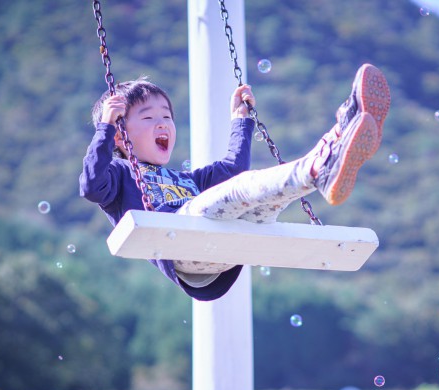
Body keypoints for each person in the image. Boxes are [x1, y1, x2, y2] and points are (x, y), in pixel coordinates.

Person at [80, 63, 390, 301]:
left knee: (267, 201)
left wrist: (241, 120)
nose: (162, 122)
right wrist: (105, 129)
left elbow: (233, 170)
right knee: (244, 187)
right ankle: (322, 163)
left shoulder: (188, 180)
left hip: (219, 253)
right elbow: (92, 186)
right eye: (148, 118)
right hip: (184, 250)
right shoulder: (119, 174)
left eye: (167, 116)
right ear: (121, 135)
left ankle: (336, 141)